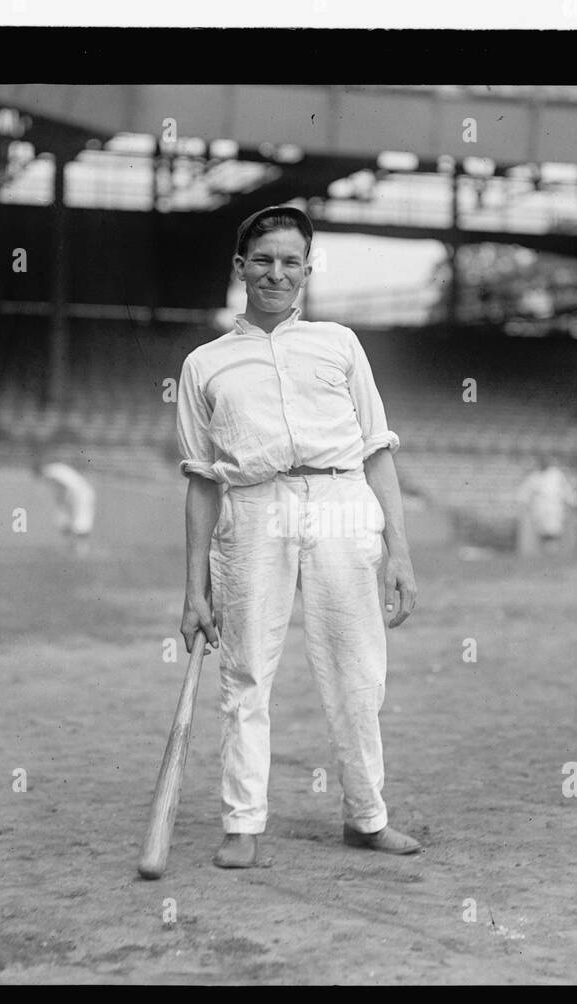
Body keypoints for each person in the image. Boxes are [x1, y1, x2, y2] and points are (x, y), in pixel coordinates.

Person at [175, 204, 422, 869]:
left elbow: (377, 450)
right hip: (255, 507)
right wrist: (194, 587)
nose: (276, 273)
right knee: (247, 668)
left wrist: (399, 551)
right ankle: (242, 820)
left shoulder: (339, 343)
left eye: (291, 261)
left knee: (357, 670)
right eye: (263, 259)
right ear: (240, 267)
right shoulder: (205, 364)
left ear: (307, 270)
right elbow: (201, 480)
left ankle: (367, 816)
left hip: (343, 500)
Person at [33, 454, 96, 558]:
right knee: (66, 519)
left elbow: (63, 487)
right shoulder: (54, 469)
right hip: (76, 494)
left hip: (82, 494)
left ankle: (82, 549)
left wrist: (62, 502)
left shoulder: (51, 471)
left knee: (82, 520)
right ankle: (74, 545)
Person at [515, 455, 577, 556]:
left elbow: (566, 490)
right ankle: (544, 554)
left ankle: (553, 554)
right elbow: (524, 494)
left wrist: (573, 501)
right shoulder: (534, 477)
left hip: (555, 509)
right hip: (539, 510)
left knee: (554, 533)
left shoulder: (557, 475)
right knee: (542, 534)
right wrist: (524, 505)